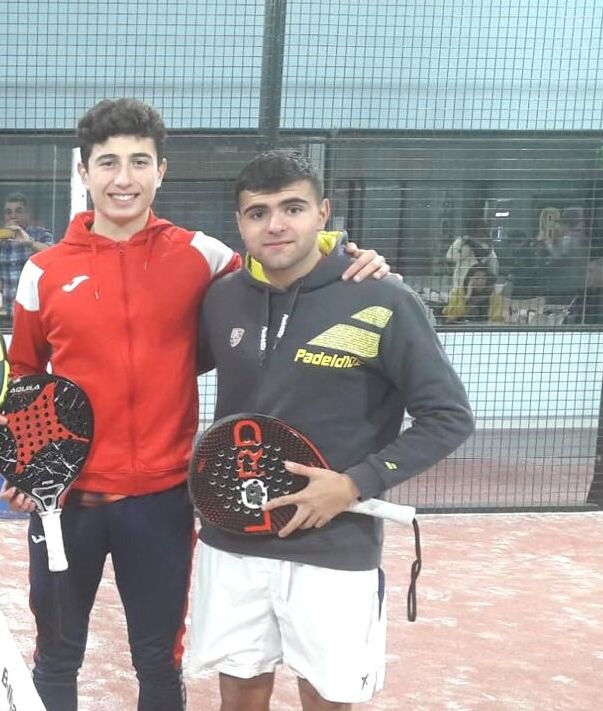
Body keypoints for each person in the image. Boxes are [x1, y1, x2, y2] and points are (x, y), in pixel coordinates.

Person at [0, 99, 391, 711]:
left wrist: (348, 255)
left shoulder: (204, 256)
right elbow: (25, 374)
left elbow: (289, 267)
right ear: (84, 172)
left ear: (162, 170)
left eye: (138, 162)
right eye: (107, 163)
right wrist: (28, 463)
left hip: (162, 501)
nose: (122, 177)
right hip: (67, 502)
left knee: (158, 659)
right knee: (56, 656)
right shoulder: (43, 271)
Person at [190, 150, 474, 710]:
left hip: (334, 544)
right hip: (232, 539)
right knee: (239, 694)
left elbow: (449, 416)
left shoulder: (382, 297)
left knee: (327, 700)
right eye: (257, 213)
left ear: (323, 213)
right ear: (240, 224)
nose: (275, 225)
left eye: (292, 208)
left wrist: (353, 483)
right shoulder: (221, 300)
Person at [0, 191, 56, 310]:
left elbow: (55, 256)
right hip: (5, 313)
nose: (13, 216)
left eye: (19, 211)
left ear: (28, 214)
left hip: (35, 312)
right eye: (8, 212)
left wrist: (29, 243)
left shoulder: (40, 234)